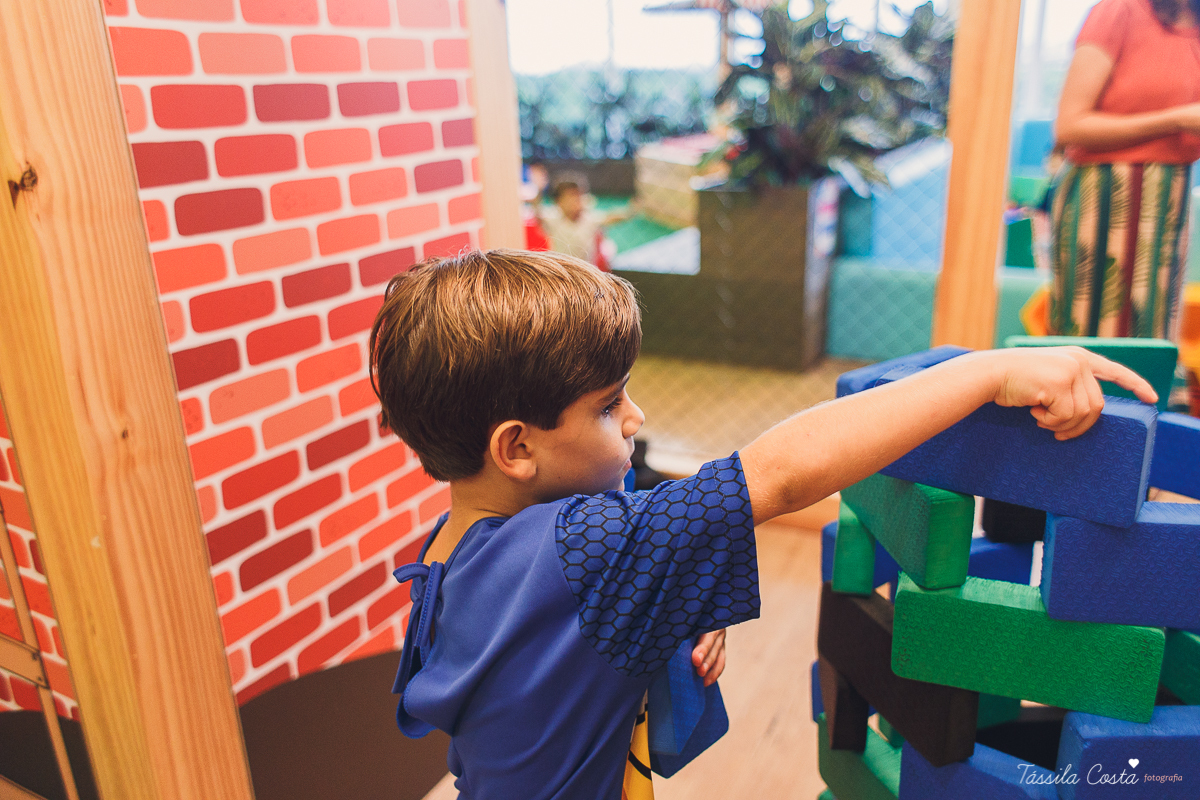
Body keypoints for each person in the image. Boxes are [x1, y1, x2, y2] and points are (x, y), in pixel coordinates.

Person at [368, 249, 1155, 799]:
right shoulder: (589, 548)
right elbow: (779, 473)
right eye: (608, 408)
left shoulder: (450, 554)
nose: (637, 416)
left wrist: (654, 624)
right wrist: (988, 372)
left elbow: (537, 666)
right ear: (516, 448)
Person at [1050, 0, 1200, 340]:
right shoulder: (1120, 10)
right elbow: (1069, 126)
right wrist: (1175, 119)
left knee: (1153, 336)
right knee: (1088, 339)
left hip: (1168, 203)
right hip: (1102, 200)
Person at [538, 172, 630, 268]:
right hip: (561, 270)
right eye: (570, 197)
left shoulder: (589, 219)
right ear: (559, 201)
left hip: (586, 271)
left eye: (577, 197)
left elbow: (611, 218)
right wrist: (539, 190)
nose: (575, 201)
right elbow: (538, 215)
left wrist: (631, 210)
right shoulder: (553, 219)